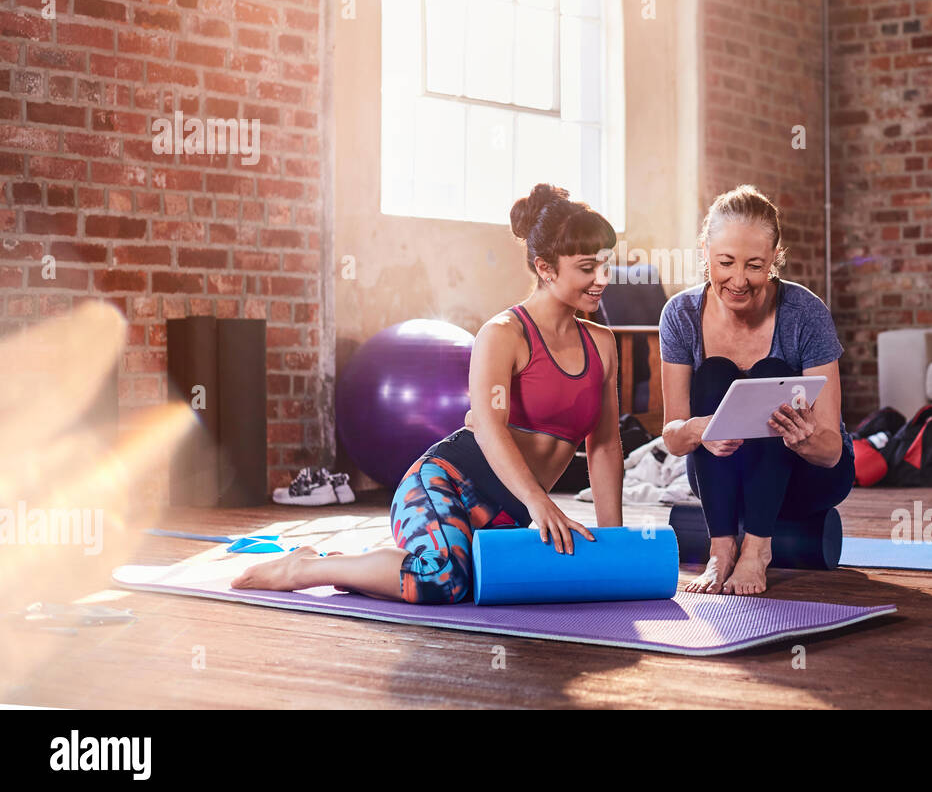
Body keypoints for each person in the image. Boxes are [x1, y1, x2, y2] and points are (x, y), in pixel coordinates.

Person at [232, 183, 625, 602]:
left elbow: (603, 445)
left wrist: (618, 545)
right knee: (443, 581)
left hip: (507, 514)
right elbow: (490, 430)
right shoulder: (504, 334)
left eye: (605, 264)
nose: (602, 278)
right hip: (443, 484)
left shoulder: (601, 344)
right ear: (546, 268)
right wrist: (539, 503)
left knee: (475, 581)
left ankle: (371, 561)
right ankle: (305, 567)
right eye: (587, 267)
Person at [658, 184, 854, 596]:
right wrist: (702, 429)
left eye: (755, 265)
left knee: (771, 372)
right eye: (725, 262)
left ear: (775, 260)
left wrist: (802, 440)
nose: (739, 280)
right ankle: (721, 548)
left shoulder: (805, 313)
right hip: (721, 482)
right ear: (705, 253)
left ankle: (758, 550)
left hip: (808, 475)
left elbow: (832, 450)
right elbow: (674, 438)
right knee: (713, 374)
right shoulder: (681, 315)